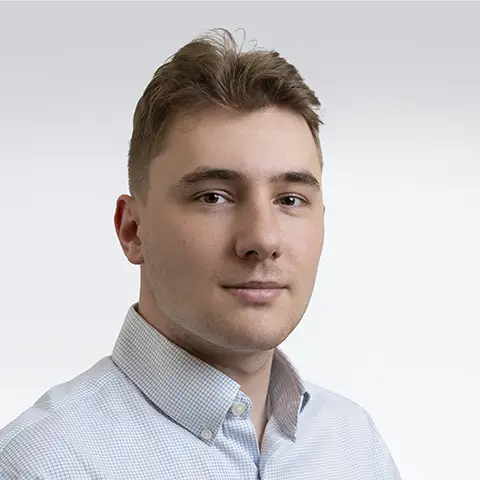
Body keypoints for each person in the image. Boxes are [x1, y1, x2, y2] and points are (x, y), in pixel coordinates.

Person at [0, 28, 402, 479]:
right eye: (213, 196)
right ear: (133, 230)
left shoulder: (354, 445)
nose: (263, 239)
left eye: (290, 199)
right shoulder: (41, 465)